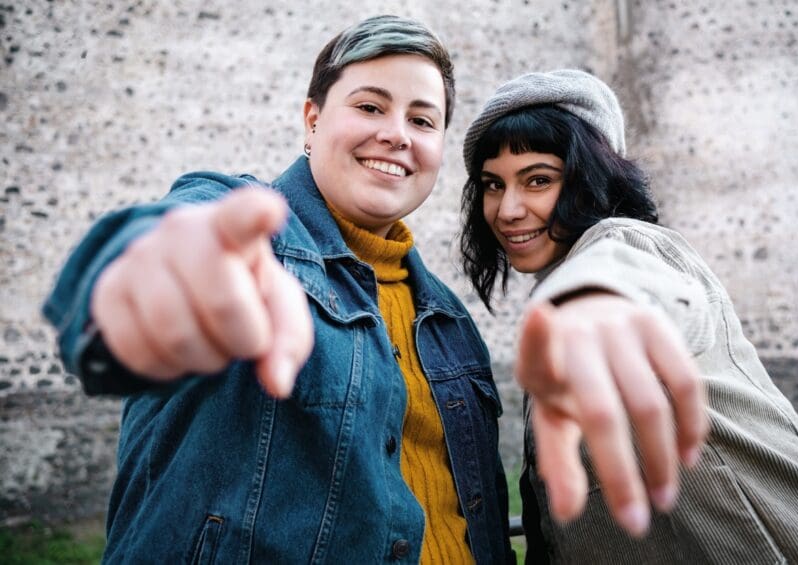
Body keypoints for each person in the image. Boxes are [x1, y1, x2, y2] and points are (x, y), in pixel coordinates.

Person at [43, 16, 515, 563]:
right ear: (311, 120)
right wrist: (151, 277)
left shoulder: (450, 321)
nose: (397, 133)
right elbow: (149, 260)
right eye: (369, 107)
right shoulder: (244, 230)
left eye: (422, 119)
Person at [459, 69, 798, 563]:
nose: (507, 209)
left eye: (539, 179)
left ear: (591, 178)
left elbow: (629, 278)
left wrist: (595, 304)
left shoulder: (630, 244)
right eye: (493, 184)